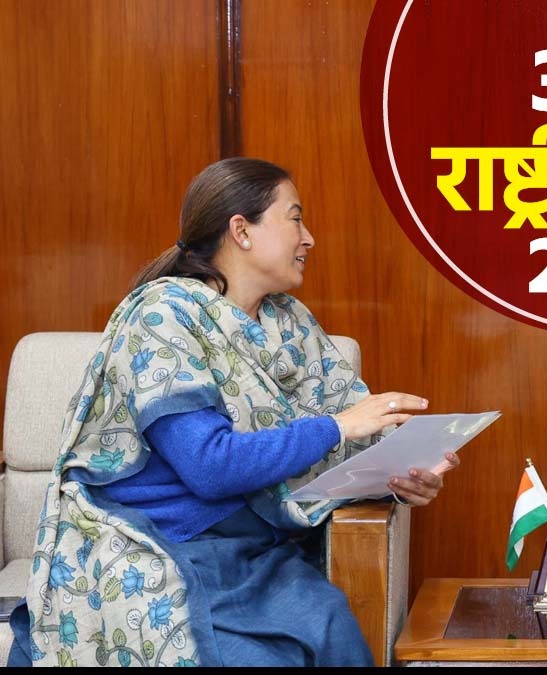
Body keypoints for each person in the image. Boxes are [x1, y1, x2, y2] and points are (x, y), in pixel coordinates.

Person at [6, 158, 458, 667]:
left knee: (333, 627)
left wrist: (401, 474)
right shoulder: (162, 318)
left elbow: (351, 439)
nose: (308, 238)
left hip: (254, 551)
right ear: (241, 231)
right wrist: (337, 426)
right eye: (295, 219)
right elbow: (211, 466)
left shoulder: (289, 322)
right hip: (160, 545)